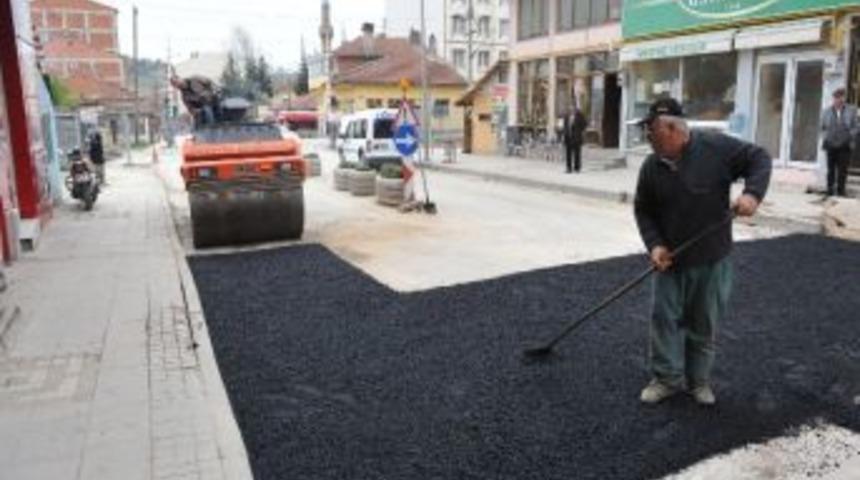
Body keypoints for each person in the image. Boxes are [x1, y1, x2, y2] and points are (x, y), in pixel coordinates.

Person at [633, 98, 772, 406]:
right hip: (670, 262)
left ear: (671, 128)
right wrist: (655, 244)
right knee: (664, 320)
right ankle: (666, 379)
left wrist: (752, 193)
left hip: (711, 259)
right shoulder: (651, 167)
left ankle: (699, 382)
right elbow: (643, 210)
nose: (647, 137)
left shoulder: (716, 149)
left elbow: (760, 158)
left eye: (650, 130)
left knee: (703, 323)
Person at [820, 88, 858, 198]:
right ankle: (829, 190)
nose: (839, 100)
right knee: (830, 169)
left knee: (842, 169)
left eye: (841, 97)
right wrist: (826, 136)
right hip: (831, 144)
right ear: (834, 99)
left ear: (844, 98)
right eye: (837, 97)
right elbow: (822, 127)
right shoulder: (826, 111)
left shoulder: (851, 110)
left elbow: (856, 127)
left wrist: (849, 136)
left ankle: (841, 191)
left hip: (845, 145)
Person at [562, 106, 587, 173]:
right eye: (570, 109)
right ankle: (568, 168)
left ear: (575, 110)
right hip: (568, 137)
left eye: (572, 109)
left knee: (577, 154)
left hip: (576, 138)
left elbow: (584, 124)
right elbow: (565, 127)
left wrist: (579, 131)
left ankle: (577, 168)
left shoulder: (579, 116)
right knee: (568, 154)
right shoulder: (566, 117)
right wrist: (564, 135)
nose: (571, 110)